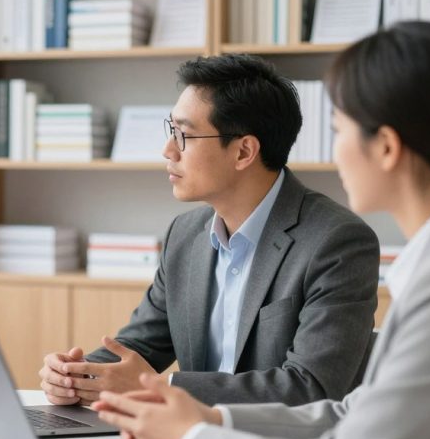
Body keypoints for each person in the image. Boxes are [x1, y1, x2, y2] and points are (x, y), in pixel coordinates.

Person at [93, 21, 430, 439]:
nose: (334, 153)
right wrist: (212, 421)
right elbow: (349, 415)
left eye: (338, 130)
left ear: (386, 147)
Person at [40, 54, 380, 407]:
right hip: (187, 435)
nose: (168, 150)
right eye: (171, 131)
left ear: (244, 151)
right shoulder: (185, 234)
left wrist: (166, 387)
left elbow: (310, 387)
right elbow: (139, 347)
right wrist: (74, 376)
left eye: (184, 135)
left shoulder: (337, 242)